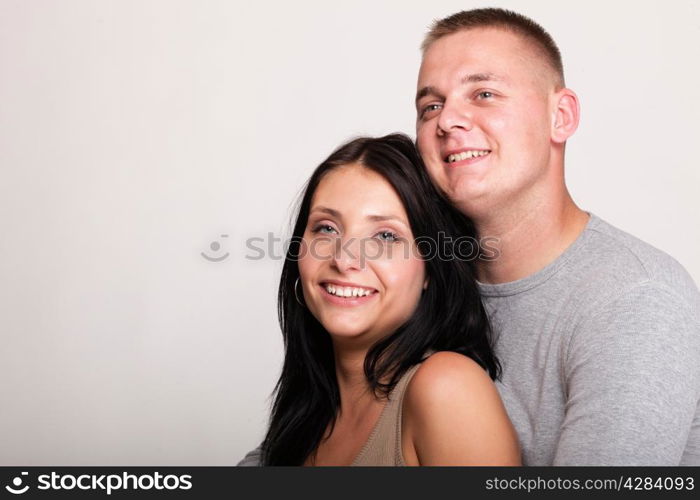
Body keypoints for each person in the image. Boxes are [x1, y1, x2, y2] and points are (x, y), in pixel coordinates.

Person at [240, 8, 700, 466]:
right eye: (431, 106)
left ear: (560, 116)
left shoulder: (635, 298)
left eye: (483, 93)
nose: (447, 121)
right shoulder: (413, 291)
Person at [258, 134, 519, 465]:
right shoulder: (306, 411)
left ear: (430, 269)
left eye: (385, 236)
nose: (344, 258)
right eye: (326, 228)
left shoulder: (447, 388)